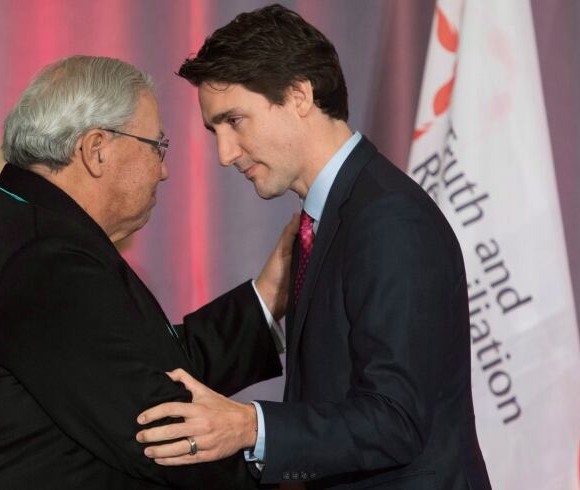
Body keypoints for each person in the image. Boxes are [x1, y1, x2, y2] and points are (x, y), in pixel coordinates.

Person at [136, 5, 492, 489]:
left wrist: (249, 426)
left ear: (299, 95)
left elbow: (396, 422)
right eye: (214, 130)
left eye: (235, 120)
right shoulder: (330, 217)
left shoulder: (388, 219)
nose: (224, 154)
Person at [0, 55, 294, 489]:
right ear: (96, 149)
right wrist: (299, 462)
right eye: (157, 146)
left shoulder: (28, 225)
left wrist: (270, 293)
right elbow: (156, 430)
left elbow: (152, 369)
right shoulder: (46, 255)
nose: (164, 170)